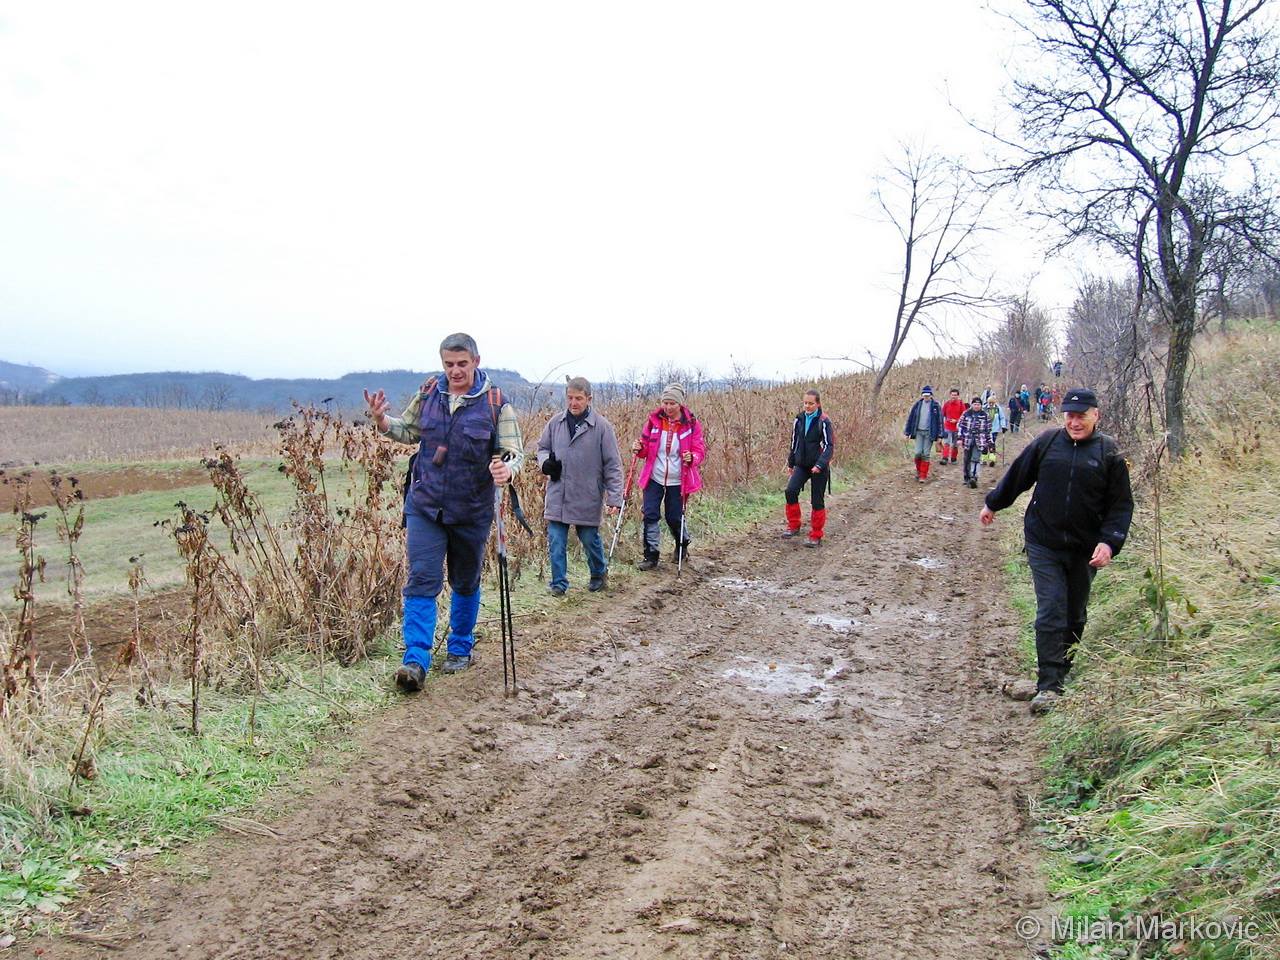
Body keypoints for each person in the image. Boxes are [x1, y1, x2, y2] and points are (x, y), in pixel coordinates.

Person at [364, 332, 524, 693]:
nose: (455, 371)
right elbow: (408, 431)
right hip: (425, 504)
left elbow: (514, 452)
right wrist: (382, 420)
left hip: (471, 509)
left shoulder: (496, 403)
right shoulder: (428, 393)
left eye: (462, 364)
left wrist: (507, 469)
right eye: (449, 364)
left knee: (465, 581)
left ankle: (459, 647)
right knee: (422, 578)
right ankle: (415, 660)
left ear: (476, 362)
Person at [980, 388, 1134, 714]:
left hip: (1085, 548)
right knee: (1051, 608)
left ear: (1096, 415)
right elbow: (1018, 476)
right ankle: (1049, 685)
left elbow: (1120, 505)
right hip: (1043, 541)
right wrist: (993, 504)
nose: (1074, 422)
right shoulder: (1047, 442)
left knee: (1074, 613)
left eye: (1081, 416)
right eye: (1070, 416)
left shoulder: (1109, 453)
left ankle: (1062, 669)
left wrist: (1109, 542)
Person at [536, 377, 624, 596]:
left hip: (588, 495)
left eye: (578, 398)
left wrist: (614, 498)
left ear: (589, 399)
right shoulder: (555, 423)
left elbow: (613, 465)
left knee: (589, 539)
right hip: (558, 493)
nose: (573, 403)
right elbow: (542, 448)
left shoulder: (602, 427)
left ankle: (598, 573)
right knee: (556, 540)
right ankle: (558, 584)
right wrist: (545, 464)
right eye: (570, 398)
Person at [631, 383, 706, 570]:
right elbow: (646, 449)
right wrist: (639, 448)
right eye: (665, 403)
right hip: (654, 476)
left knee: (673, 517)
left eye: (672, 403)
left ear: (680, 404)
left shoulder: (691, 425)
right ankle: (651, 556)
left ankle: (682, 543)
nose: (668, 407)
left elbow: (699, 451)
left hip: (679, 479)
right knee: (650, 514)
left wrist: (692, 457)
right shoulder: (653, 422)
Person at [782, 389, 835, 547]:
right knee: (790, 491)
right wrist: (791, 463)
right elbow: (794, 443)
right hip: (802, 464)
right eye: (805, 403)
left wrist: (820, 464)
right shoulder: (798, 419)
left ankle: (816, 535)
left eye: (811, 403)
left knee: (816, 500)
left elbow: (829, 446)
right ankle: (794, 525)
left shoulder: (824, 421)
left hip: (819, 466)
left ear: (817, 404)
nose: (807, 406)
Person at [904, 385, 943, 483]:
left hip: (930, 433)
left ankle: (923, 475)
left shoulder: (936, 406)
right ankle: (918, 471)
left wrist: (940, 435)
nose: (926, 397)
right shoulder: (917, 405)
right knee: (918, 453)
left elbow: (940, 421)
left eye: (928, 395)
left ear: (931, 395)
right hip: (918, 432)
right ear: (922, 395)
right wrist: (907, 432)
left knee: (926, 454)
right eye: (925, 395)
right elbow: (911, 419)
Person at [956, 396, 993, 488]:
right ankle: (967, 477)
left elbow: (988, 430)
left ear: (981, 405)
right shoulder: (966, 413)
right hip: (967, 439)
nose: (976, 406)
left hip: (980, 440)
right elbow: (960, 426)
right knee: (967, 459)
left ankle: (974, 477)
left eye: (978, 404)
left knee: (976, 458)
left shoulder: (985, 415)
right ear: (972, 405)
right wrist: (959, 438)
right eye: (975, 404)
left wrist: (990, 442)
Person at [940, 388, 966, 464]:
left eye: (955, 395)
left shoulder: (961, 404)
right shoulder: (947, 404)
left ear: (958, 396)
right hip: (947, 426)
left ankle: (953, 458)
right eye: (952, 395)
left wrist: (957, 420)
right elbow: (942, 414)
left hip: (957, 428)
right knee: (946, 443)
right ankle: (945, 458)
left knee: (955, 444)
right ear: (950, 395)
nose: (953, 396)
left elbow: (964, 416)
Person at [983, 395, 1007, 467]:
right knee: (984, 444)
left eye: (992, 403)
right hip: (985, 429)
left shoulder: (998, 408)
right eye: (989, 403)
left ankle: (992, 460)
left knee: (991, 444)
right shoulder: (984, 408)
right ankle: (984, 459)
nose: (990, 404)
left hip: (994, 429)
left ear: (994, 402)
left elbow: (1002, 418)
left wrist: (1003, 426)